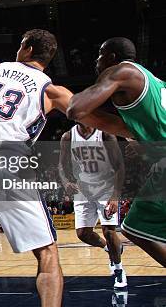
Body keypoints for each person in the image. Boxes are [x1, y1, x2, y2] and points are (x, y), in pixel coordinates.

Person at [0, 29, 130, 306]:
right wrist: (139, 130)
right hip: (9, 159)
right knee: (47, 253)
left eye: (21, 45)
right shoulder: (52, 90)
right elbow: (97, 118)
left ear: (28, 49)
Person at [68, 37, 166, 267]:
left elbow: (76, 109)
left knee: (135, 229)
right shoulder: (152, 82)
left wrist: (66, 100)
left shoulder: (120, 72)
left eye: (100, 55)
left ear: (111, 57)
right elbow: (120, 126)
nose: (96, 61)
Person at [59, 123, 126, 287]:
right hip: (83, 189)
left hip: (106, 188)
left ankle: (118, 270)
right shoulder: (68, 136)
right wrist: (66, 182)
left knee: (109, 232)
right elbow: (61, 165)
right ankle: (110, 249)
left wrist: (115, 195)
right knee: (82, 234)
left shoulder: (105, 134)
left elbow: (120, 166)